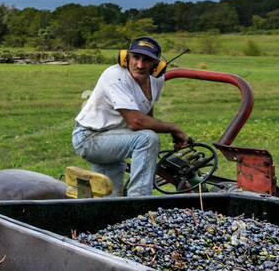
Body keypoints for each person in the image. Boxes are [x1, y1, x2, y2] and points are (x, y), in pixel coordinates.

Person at [72, 35, 191, 196]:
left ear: (156, 65)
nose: (140, 65)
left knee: (108, 197)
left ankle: (115, 215)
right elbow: (135, 122)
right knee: (147, 138)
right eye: (136, 57)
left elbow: (146, 113)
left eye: (147, 60)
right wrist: (173, 128)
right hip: (89, 139)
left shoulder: (156, 80)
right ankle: (139, 203)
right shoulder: (115, 76)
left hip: (113, 136)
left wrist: (153, 141)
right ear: (125, 58)